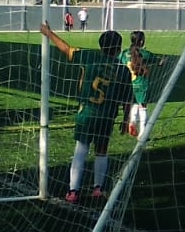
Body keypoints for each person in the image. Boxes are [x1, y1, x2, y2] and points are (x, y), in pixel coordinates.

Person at [39, 22, 133, 203]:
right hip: (107, 115)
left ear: (101, 45)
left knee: (81, 149)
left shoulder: (90, 57)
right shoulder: (123, 70)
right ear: (119, 48)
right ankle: (98, 189)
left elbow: (66, 49)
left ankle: (73, 191)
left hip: (87, 113)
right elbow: (126, 98)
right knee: (102, 151)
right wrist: (126, 119)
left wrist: (49, 33)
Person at [120, 30, 160, 138]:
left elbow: (118, 61)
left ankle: (132, 121)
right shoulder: (144, 54)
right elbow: (157, 60)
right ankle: (143, 132)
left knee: (134, 104)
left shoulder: (124, 53)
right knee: (143, 106)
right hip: (141, 84)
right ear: (142, 42)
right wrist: (161, 62)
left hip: (129, 84)